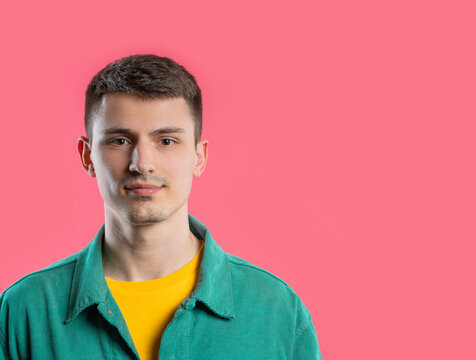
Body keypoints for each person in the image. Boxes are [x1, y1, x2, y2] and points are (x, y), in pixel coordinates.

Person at [0, 54, 321, 360]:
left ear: (199, 156)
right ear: (87, 156)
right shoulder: (24, 311)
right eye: (120, 141)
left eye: (166, 141)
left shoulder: (278, 311)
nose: (142, 164)